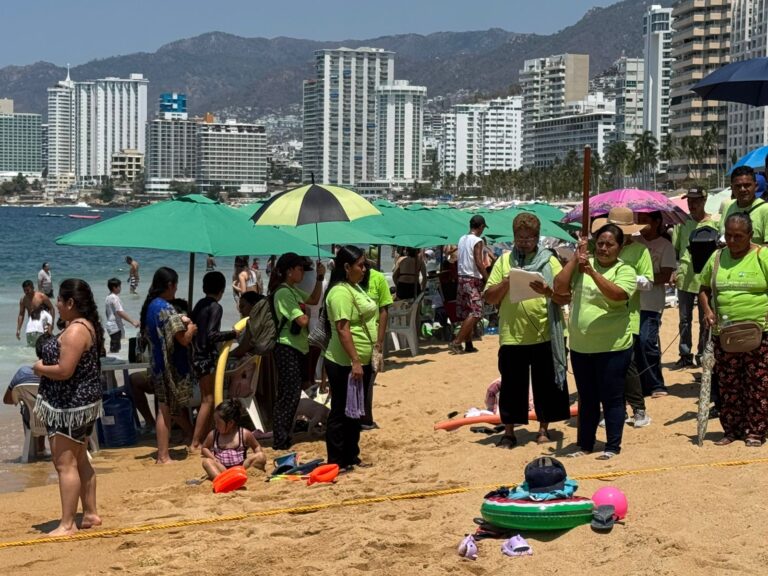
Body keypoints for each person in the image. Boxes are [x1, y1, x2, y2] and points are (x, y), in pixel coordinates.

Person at [483, 213, 571, 448]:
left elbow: (564, 296)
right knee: (512, 385)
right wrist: (507, 282)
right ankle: (510, 432)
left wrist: (547, 290)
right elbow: (489, 297)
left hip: (545, 332)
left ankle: (544, 428)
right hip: (513, 334)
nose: (524, 242)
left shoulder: (549, 261)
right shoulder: (503, 261)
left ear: (537, 238)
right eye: (519, 238)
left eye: (529, 238)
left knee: (546, 384)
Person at [554, 224, 636, 460]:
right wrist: (575, 260)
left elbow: (618, 295)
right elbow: (559, 287)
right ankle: (585, 444)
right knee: (587, 399)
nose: (603, 248)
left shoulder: (624, 270)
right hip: (582, 347)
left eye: (609, 244)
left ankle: (612, 446)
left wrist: (593, 273)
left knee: (612, 397)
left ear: (620, 247)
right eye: (599, 243)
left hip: (613, 346)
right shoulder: (581, 267)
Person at [32, 279, 105, 535]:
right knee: (80, 460)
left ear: (71, 303)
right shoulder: (85, 326)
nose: (58, 306)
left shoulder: (76, 330)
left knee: (65, 465)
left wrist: (39, 368)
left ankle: (67, 524)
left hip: (70, 407)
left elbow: (64, 371)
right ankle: (91, 513)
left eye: (60, 302)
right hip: (81, 405)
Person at [699, 212, 768, 447]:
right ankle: (732, 430)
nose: (732, 240)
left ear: (750, 235)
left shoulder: (762, 256)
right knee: (729, 385)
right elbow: (704, 288)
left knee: (757, 384)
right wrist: (708, 312)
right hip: (725, 333)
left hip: (758, 333)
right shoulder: (717, 258)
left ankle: (755, 431)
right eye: (728, 235)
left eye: (738, 236)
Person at [592, 208, 654, 428]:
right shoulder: (598, 251)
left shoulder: (640, 251)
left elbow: (648, 282)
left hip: (629, 315)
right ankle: (613, 408)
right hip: (602, 316)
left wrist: (625, 279)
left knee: (627, 365)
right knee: (604, 367)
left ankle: (638, 409)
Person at [323, 245, 378, 471]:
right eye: (360, 265)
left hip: (360, 361)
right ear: (346, 267)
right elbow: (343, 329)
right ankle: (337, 460)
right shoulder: (339, 292)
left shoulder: (354, 287)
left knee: (355, 411)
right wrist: (355, 360)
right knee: (340, 411)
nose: (364, 269)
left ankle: (351, 456)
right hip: (342, 362)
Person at [140, 267, 198, 464]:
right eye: (175, 285)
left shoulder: (151, 306)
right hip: (167, 365)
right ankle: (163, 455)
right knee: (164, 410)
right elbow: (182, 339)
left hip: (157, 363)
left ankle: (164, 453)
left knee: (165, 408)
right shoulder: (165, 308)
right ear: (170, 285)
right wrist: (191, 328)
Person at [269, 253, 325, 450]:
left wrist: (319, 278)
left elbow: (315, 299)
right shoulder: (283, 292)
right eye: (300, 268)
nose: (302, 272)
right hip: (286, 347)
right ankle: (281, 438)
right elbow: (301, 320)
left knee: (292, 393)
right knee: (288, 395)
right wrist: (306, 314)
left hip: (296, 347)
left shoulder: (292, 290)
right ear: (289, 271)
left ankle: (284, 435)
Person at [189, 271, 239, 451]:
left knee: (206, 399)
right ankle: (195, 442)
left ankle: (203, 438)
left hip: (196, 356)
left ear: (204, 287)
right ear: (222, 290)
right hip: (206, 357)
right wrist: (233, 334)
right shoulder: (216, 307)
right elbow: (212, 335)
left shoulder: (199, 305)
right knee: (208, 400)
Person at [673, 188, 719, 368]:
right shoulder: (682, 223)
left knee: (704, 319)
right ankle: (685, 354)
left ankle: (701, 353)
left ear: (704, 200)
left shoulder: (715, 223)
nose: (692, 205)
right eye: (689, 201)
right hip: (685, 276)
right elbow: (676, 249)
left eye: (696, 201)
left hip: (705, 279)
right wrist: (674, 270)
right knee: (684, 319)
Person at [635, 211, 676, 398]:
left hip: (652, 303)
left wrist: (644, 279)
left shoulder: (665, 246)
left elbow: (667, 275)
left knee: (647, 342)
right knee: (635, 345)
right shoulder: (634, 243)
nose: (642, 225)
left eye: (645, 221)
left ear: (657, 222)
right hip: (633, 303)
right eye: (639, 221)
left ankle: (656, 383)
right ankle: (641, 384)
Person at [359, 259, 393, 430]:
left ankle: (365, 417)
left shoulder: (378, 279)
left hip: (374, 339)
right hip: (355, 340)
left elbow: (384, 310)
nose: (362, 269)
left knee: (370, 378)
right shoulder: (349, 281)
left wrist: (379, 342)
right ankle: (361, 418)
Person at [450, 215, 489, 354]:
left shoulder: (462, 239)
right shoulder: (477, 241)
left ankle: (468, 344)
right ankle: (456, 342)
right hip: (472, 279)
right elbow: (479, 262)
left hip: (461, 278)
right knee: (476, 312)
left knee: (467, 312)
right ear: (481, 227)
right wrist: (487, 279)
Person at [201, 399, 266, 480]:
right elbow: (204, 448)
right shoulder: (214, 435)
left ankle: (247, 477)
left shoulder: (244, 434)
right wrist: (213, 458)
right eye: (215, 422)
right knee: (206, 462)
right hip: (223, 469)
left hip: (241, 468)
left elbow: (256, 446)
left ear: (231, 423)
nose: (216, 425)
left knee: (261, 456)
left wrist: (258, 454)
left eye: (218, 423)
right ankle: (220, 480)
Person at [721, 166, 768, 244]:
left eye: (747, 185)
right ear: (732, 188)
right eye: (738, 186)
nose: (742, 189)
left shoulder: (765, 210)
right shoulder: (728, 206)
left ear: (756, 186)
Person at [105, 278, 140, 354]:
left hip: (110, 325)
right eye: (119, 286)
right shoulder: (115, 298)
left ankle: (110, 361)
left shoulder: (108, 297)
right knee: (115, 347)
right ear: (115, 287)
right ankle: (112, 363)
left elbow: (107, 312)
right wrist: (133, 321)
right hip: (115, 326)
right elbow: (120, 312)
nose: (120, 288)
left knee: (114, 346)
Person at [17, 280, 56, 346]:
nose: (26, 292)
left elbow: (51, 308)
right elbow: (21, 315)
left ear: (33, 288)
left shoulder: (41, 296)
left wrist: (51, 324)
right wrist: (18, 329)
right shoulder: (23, 300)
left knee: (44, 345)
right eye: (24, 290)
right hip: (32, 327)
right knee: (33, 346)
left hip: (44, 324)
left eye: (28, 290)